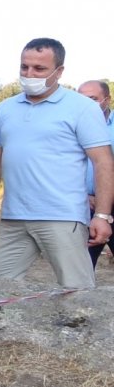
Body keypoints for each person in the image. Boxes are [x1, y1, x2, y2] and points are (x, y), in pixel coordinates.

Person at [0, 40, 113, 288]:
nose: (29, 74)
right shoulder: (5, 108)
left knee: (79, 293)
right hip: (13, 218)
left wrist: (103, 215)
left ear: (59, 71)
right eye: (24, 67)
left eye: (39, 69)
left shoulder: (82, 108)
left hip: (62, 217)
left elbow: (103, 161)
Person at [77, 80, 114, 267]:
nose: (85, 105)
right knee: (80, 265)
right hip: (83, 206)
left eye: (92, 99)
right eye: (80, 99)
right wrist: (83, 195)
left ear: (106, 100)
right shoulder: (70, 127)